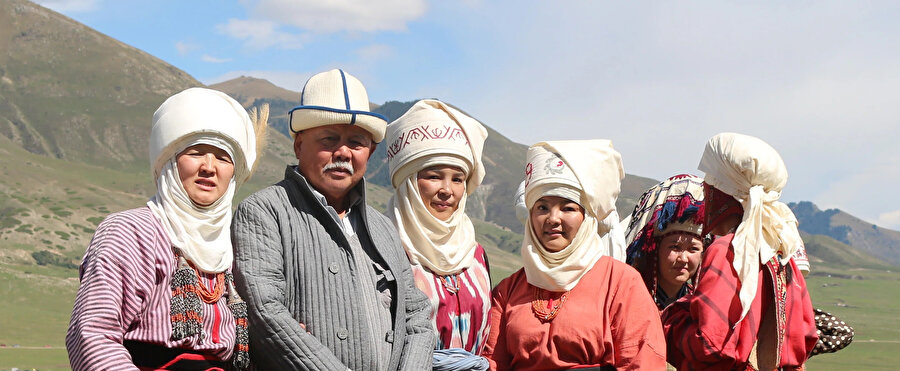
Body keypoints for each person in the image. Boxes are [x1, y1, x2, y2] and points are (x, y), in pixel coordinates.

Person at [230, 69, 434, 370]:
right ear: (299, 145)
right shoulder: (265, 212)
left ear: (371, 151)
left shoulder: (382, 228)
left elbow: (415, 314)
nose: (343, 152)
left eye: (356, 142)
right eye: (329, 139)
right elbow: (265, 311)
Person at [66, 87, 264, 370]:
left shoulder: (232, 245)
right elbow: (92, 335)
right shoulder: (130, 232)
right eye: (196, 152)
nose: (209, 167)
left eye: (223, 158)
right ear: (170, 161)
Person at [483, 140, 666, 370]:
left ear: (587, 217)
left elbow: (642, 362)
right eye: (542, 207)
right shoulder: (508, 291)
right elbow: (492, 363)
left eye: (568, 208)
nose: (553, 218)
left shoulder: (620, 282)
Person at [661, 132, 818, 370]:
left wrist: (667, 319)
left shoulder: (729, 251)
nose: (704, 190)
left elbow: (711, 344)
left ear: (722, 193)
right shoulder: (782, 255)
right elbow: (803, 338)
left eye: (708, 183)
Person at [385, 99, 491, 370]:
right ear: (409, 181)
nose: (448, 190)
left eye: (457, 179)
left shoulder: (476, 254)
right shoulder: (383, 250)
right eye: (434, 176)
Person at [624, 174, 706, 310]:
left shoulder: (700, 307)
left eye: (693, 249)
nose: (683, 258)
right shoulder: (631, 299)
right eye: (675, 247)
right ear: (656, 249)